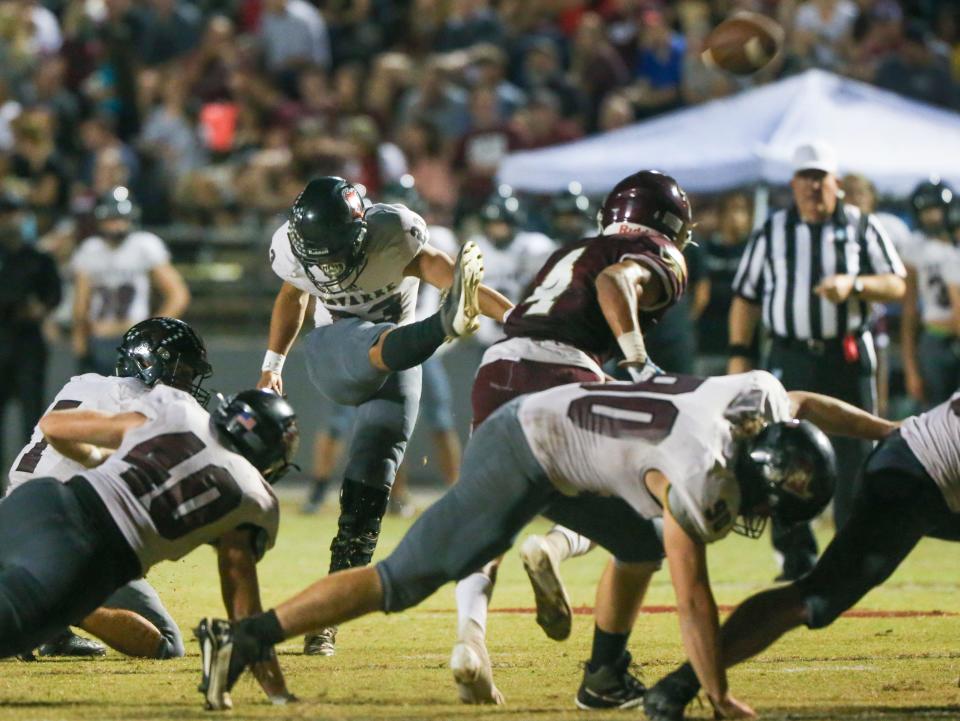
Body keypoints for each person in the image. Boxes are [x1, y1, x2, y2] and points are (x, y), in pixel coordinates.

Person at [196, 370, 896, 713]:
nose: (761, 510)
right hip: (525, 446)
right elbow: (695, 596)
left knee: (642, 546)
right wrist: (713, 691)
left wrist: (891, 434)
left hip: (574, 448)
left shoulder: (760, 403)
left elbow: (807, 404)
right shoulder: (701, 469)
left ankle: (601, 673)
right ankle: (249, 635)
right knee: (406, 578)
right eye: (770, 499)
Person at [457, 170, 690, 708]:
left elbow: (521, 319)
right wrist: (638, 362)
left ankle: (469, 643)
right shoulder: (661, 252)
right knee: (644, 521)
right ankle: (603, 669)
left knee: (490, 521)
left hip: (498, 368)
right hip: (563, 376)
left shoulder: (574, 249)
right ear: (669, 223)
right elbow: (614, 285)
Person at [257, 176, 512, 656]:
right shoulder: (293, 251)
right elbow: (293, 296)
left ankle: (326, 619)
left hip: (398, 357)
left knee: (368, 493)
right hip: (335, 353)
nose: (328, 265)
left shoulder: (393, 231)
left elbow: (450, 274)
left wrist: (516, 318)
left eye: (335, 252)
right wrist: (272, 366)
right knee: (369, 340)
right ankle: (439, 327)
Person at [644, 391, 956, 721]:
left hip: (919, 464)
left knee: (821, 591)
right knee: (820, 594)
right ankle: (682, 682)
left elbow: (800, 401)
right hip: (913, 477)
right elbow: (797, 401)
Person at [0, 382, 297, 709]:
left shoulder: (179, 410)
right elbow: (244, 610)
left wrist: (104, 461)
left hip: (41, 500)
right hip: (82, 557)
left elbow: (54, 427)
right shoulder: (254, 498)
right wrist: (277, 690)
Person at [727, 140, 906, 580]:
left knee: (858, 455)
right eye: (804, 177)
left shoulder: (862, 226)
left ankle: (852, 551)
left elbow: (897, 283)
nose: (812, 186)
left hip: (845, 353)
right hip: (789, 354)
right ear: (793, 184)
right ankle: (796, 556)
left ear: (835, 182)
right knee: (781, 453)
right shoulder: (772, 231)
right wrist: (738, 356)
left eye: (819, 178)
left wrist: (855, 285)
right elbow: (746, 297)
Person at [6, 317, 212, 660]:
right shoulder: (158, 407)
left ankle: (47, 625)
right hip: (66, 532)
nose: (188, 382)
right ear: (149, 362)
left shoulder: (83, 383)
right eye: (183, 371)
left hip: (14, 510)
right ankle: (61, 606)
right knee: (167, 643)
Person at [71, 186, 190, 376]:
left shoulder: (144, 245)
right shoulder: (90, 250)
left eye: (121, 219)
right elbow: (81, 303)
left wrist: (154, 331)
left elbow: (178, 294)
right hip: (99, 338)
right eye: (111, 219)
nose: (117, 225)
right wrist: (80, 337)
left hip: (135, 339)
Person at [0, 192, 61, 467]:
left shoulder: (38, 258)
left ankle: (28, 471)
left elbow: (54, 293)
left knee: (31, 412)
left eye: (15, 213)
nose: (11, 220)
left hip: (28, 343)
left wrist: (41, 309)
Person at [899, 179, 960, 409]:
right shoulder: (915, 246)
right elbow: (909, 307)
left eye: (937, 209)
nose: (933, 217)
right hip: (935, 337)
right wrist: (910, 367)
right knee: (934, 415)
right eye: (927, 211)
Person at [467, 191, 556, 348]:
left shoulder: (533, 247)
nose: (497, 230)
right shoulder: (476, 248)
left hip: (524, 336)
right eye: (493, 224)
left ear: (514, 223)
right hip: (487, 337)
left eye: (502, 224)